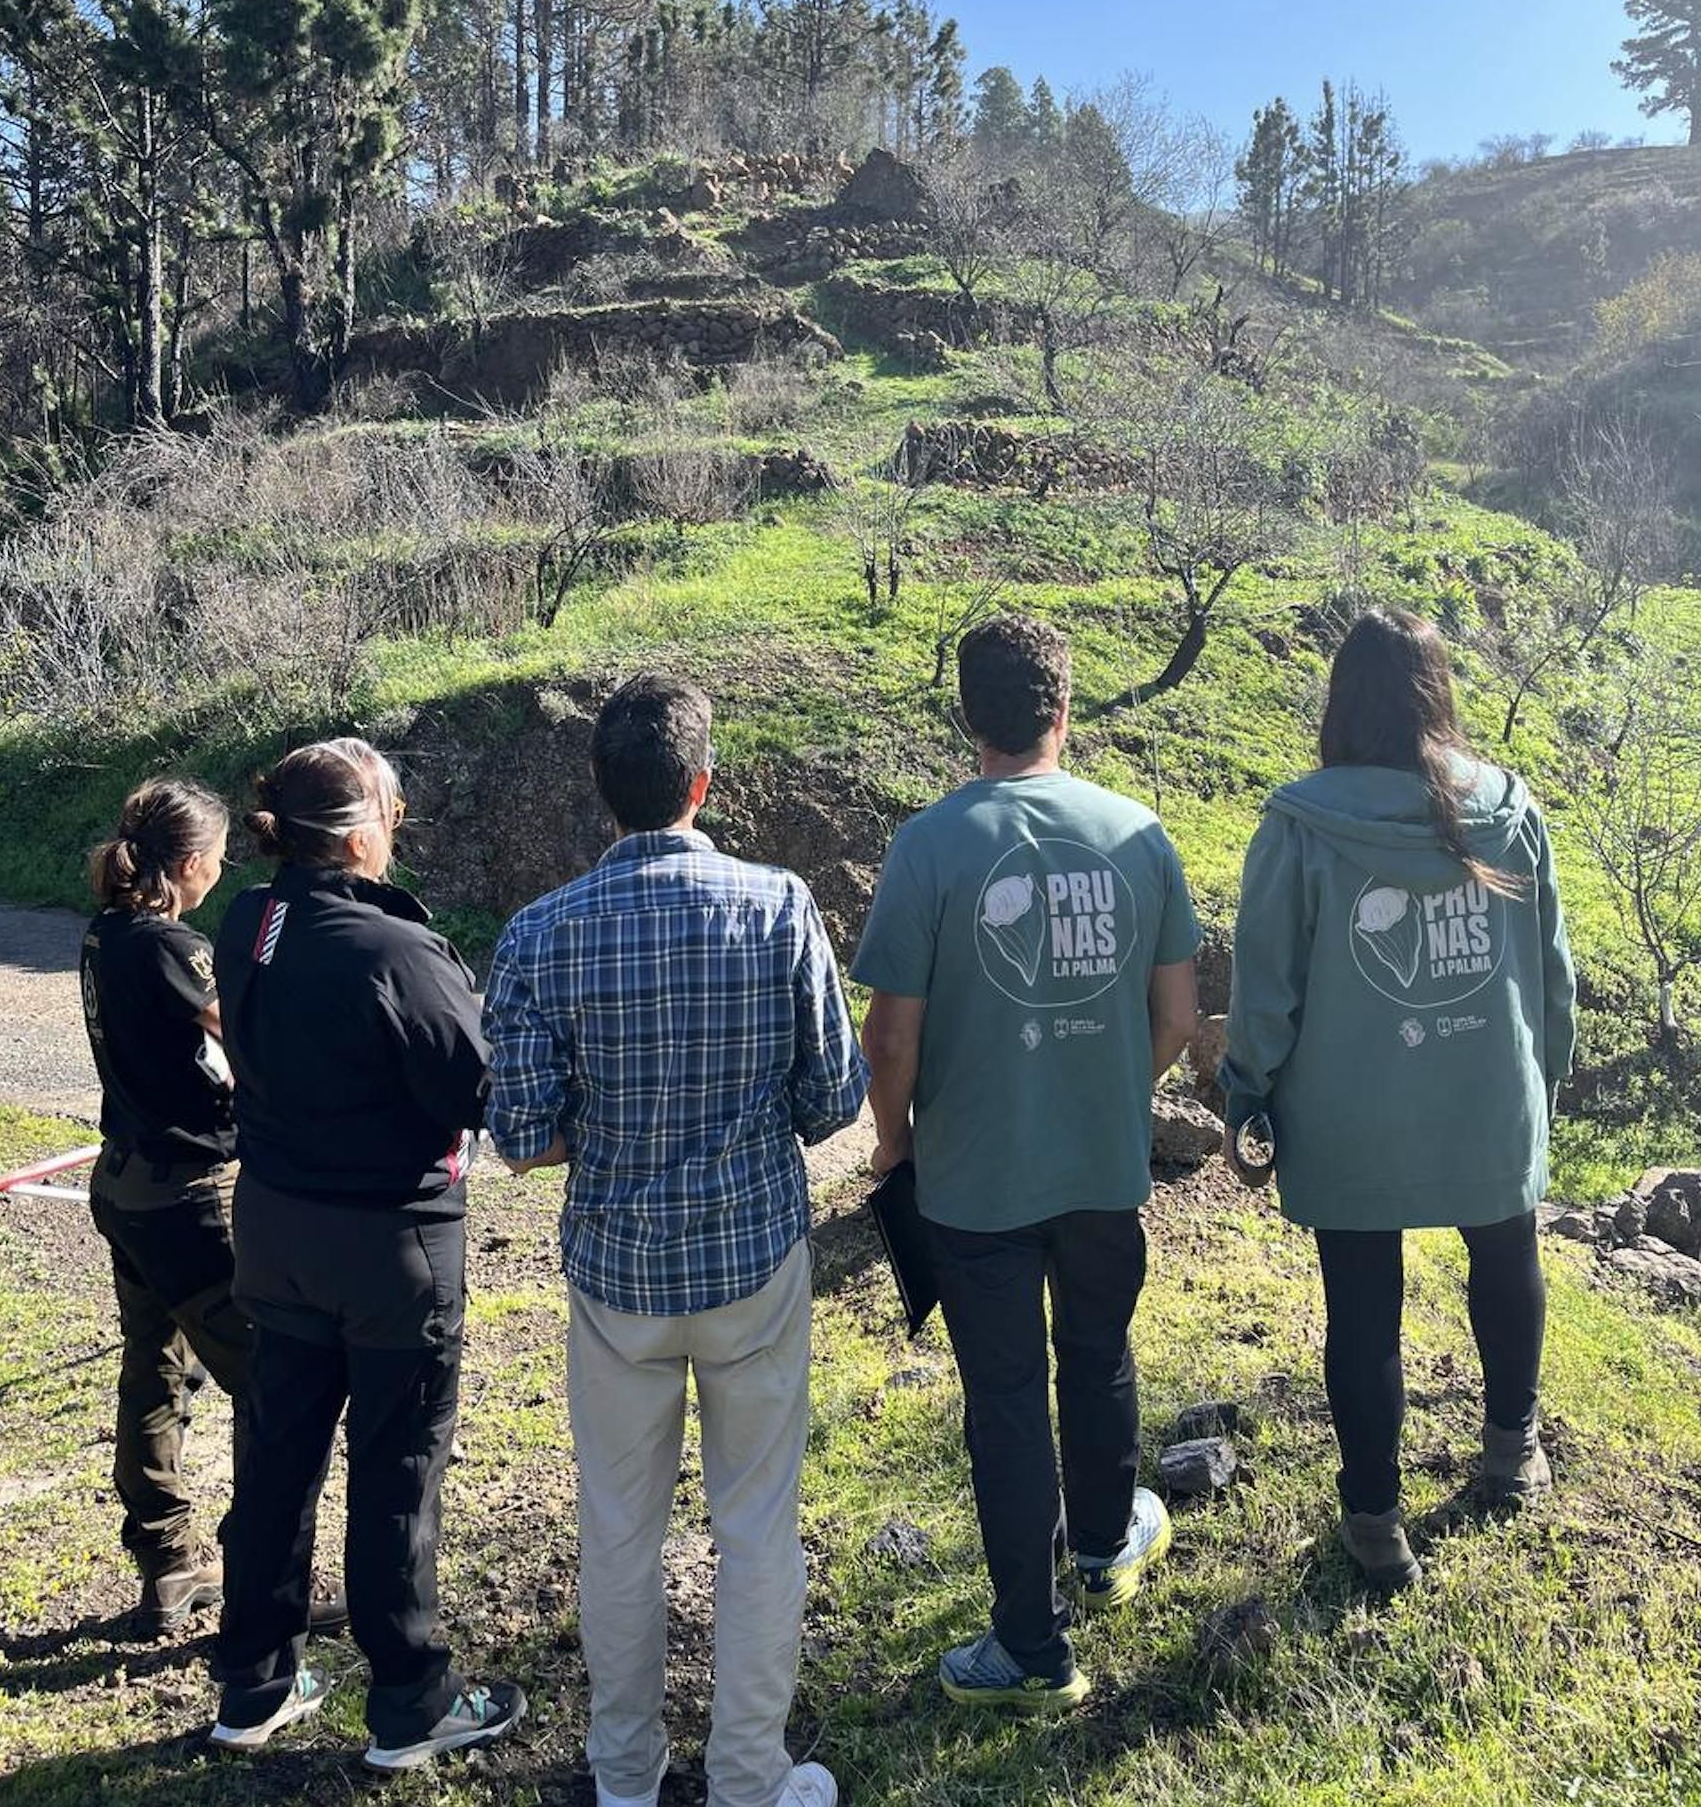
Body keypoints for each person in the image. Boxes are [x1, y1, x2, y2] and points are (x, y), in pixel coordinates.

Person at [485, 672, 864, 1807]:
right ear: (703, 784)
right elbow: (831, 1098)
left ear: (604, 797)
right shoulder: (781, 904)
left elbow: (518, 1137)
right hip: (751, 1260)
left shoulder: (539, 933)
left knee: (617, 1534)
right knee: (756, 1529)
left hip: (616, 1276)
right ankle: (750, 1775)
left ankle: (624, 1775)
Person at [852, 613, 1200, 1714]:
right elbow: (1178, 1016)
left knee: (1003, 1401)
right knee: (1096, 1351)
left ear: (967, 719)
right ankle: (1103, 1545)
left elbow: (890, 1037)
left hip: (972, 1181)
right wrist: (1110, 1094)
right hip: (1100, 1166)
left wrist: (895, 1142)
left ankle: (1029, 1648)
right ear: (1065, 709)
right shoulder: (1138, 833)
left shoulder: (928, 845)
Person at [1219, 607, 1577, 1592]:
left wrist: (1245, 1092)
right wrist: (1537, 1077)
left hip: (1349, 1113)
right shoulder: (1508, 808)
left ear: (1340, 700)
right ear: (1438, 692)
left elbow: (1264, 987)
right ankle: (1511, 1453)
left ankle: (1374, 1520)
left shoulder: (1298, 825)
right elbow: (1550, 972)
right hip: (1485, 1093)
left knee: (1361, 1306)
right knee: (1506, 1260)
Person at [207, 737, 524, 1768]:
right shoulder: (394, 952)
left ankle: (252, 1681)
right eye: (392, 807)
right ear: (356, 835)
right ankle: (409, 1700)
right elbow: (478, 1089)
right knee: (395, 1472)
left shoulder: (249, 920)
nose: (401, 823)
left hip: (275, 1230)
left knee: (276, 1457)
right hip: (389, 1245)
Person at [81, 780, 241, 1635]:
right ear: (189, 864)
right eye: (217, 856)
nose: (223, 868)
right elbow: (238, 1033)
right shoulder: (173, 945)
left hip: (127, 1179)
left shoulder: (106, 933)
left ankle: (168, 1557)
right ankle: (264, 1569)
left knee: (154, 1368)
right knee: (268, 1383)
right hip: (185, 1191)